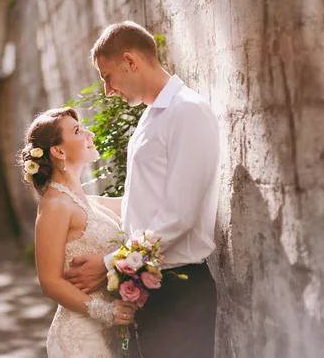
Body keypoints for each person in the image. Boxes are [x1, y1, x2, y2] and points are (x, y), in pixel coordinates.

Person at [64, 21, 221, 358]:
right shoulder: (151, 117)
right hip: (148, 287)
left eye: (107, 76)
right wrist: (81, 204)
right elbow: (144, 202)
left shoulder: (187, 112)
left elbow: (178, 217)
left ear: (130, 61)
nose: (107, 90)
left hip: (179, 292)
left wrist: (109, 263)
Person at [20, 107, 138, 357]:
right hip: (83, 337)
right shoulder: (54, 205)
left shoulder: (89, 203)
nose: (89, 134)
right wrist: (108, 312)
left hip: (112, 332)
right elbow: (49, 282)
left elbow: (139, 203)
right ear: (59, 151)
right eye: (77, 130)